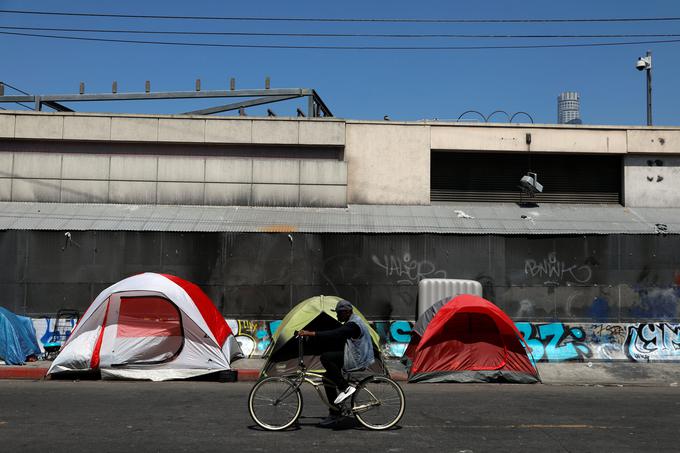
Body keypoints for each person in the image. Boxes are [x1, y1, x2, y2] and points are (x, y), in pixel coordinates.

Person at [298, 300, 375, 427]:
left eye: (339, 313)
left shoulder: (353, 324)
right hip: (355, 355)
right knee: (327, 378)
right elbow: (338, 335)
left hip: (358, 359)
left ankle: (345, 387)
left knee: (326, 357)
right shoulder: (352, 321)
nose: (337, 316)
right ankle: (335, 413)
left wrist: (310, 333)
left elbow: (335, 334)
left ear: (347, 312)